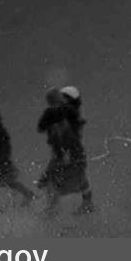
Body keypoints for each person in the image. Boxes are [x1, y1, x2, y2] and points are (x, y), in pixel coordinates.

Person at [37, 89, 95, 217]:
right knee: (66, 175)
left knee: (68, 176)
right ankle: (55, 206)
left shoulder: (65, 113)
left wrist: (66, 153)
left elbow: (69, 131)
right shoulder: (60, 112)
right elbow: (42, 126)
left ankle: (54, 207)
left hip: (68, 151)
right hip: (65, 151)